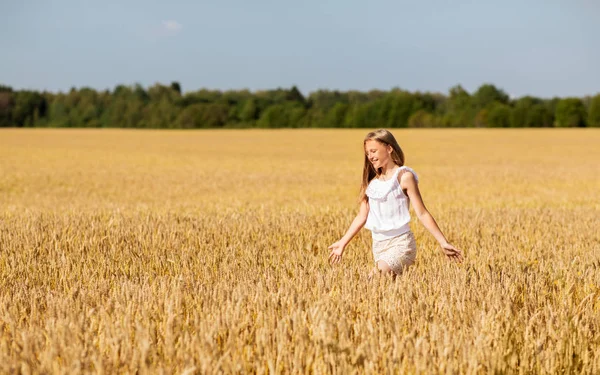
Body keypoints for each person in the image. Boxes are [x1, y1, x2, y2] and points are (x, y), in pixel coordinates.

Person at [328, 129, 463, 277]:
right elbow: (361, 216)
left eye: (373, 151)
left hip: (401, 244)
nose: (370, 157)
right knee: (385, 291)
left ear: (389, 148)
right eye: (367, 153)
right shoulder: (372, 183)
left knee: (372, 279)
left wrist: (443, 242)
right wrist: (342, 243)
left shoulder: (404, 176)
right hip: (378, 246)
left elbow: (422, 213)